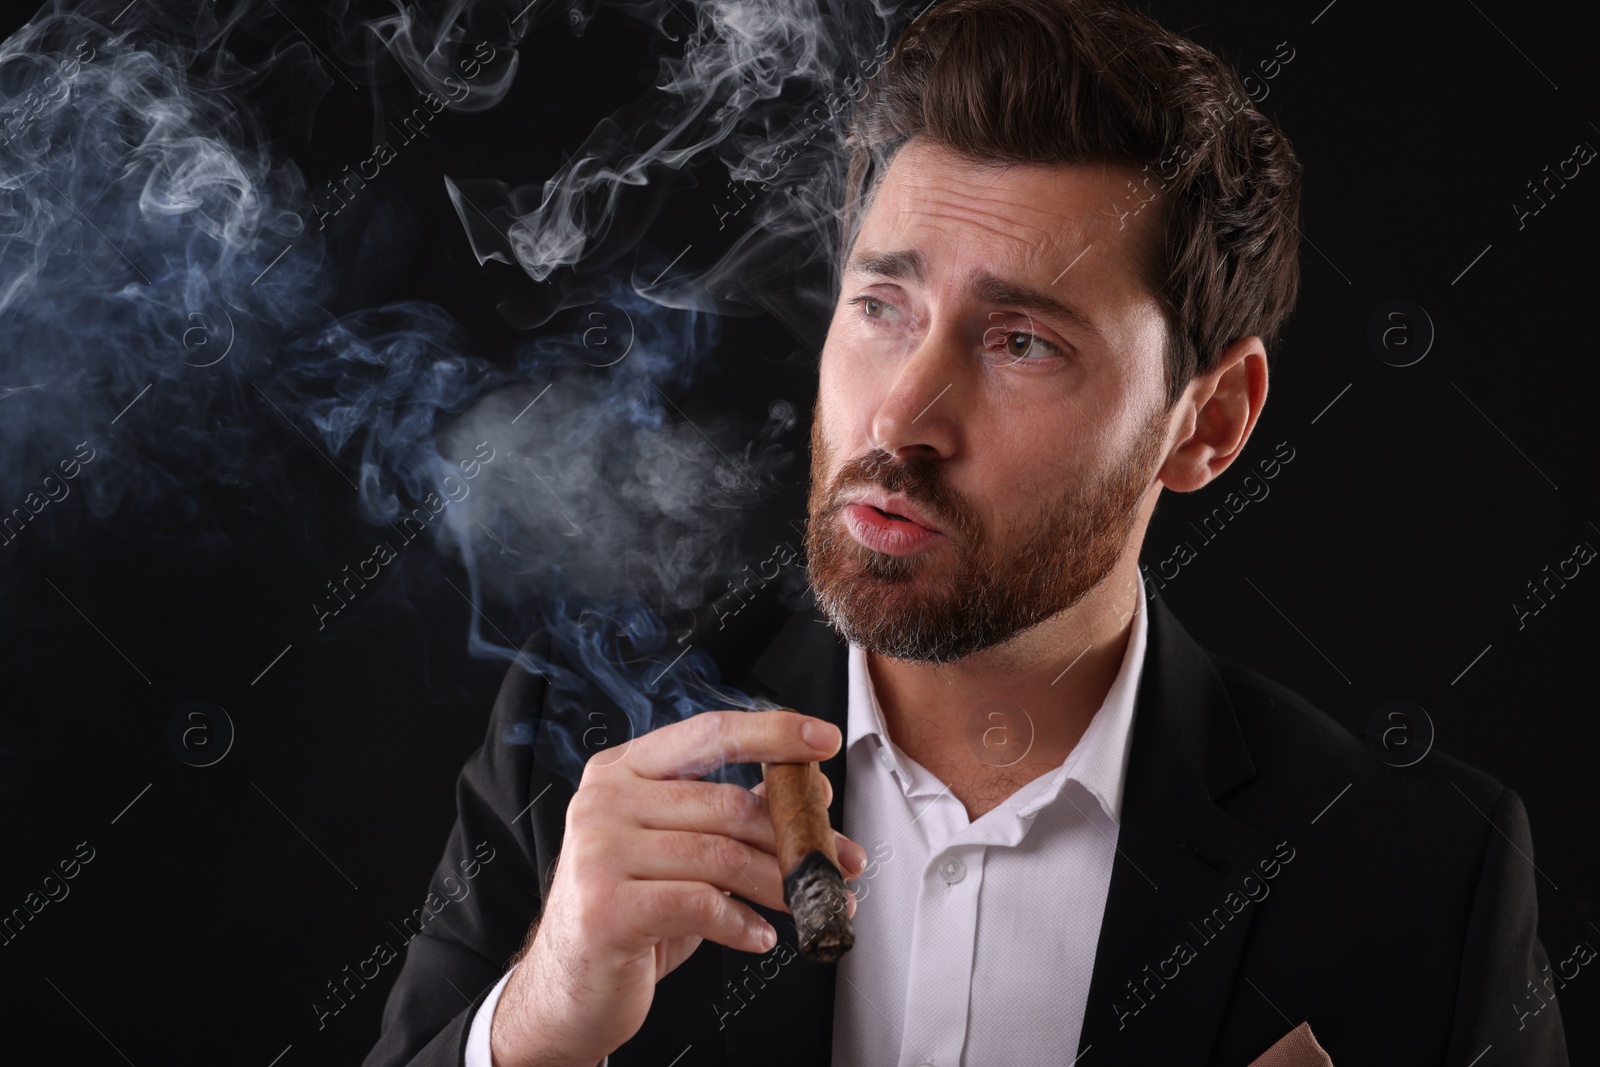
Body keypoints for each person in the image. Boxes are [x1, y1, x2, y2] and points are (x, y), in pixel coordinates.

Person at [363, 0, 1569, 1064]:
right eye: (882, 305)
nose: (901, 414)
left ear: (1208, 423)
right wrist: (532, 1029)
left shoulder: (1415, 876)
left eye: (1020, 342)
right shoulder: (575, 751)